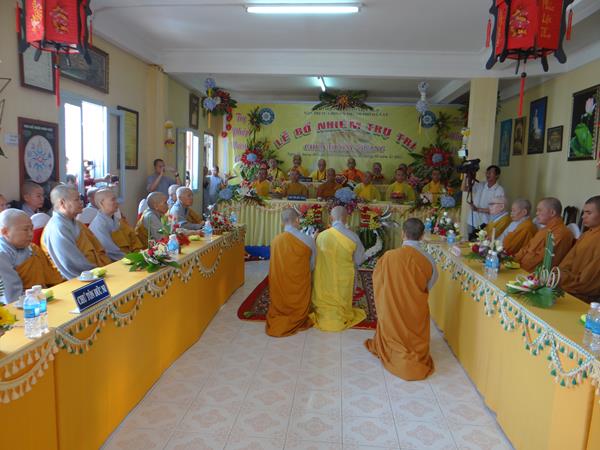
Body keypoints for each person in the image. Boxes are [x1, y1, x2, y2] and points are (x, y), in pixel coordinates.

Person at [365, 218, 437, 380]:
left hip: (393, 310)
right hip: (415, 309)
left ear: (403, 233)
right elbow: (431, 282)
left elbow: (378, 281)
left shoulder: (389, 257)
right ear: (422, 236)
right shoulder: (428, 259)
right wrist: (413, 294)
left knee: (391, 318)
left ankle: (396, 351)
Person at [310, 206, 366, 331]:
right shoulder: (353, 237)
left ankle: (325, 311)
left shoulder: (321, 236)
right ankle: (342, 312)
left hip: (324, 279)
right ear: (346, 219)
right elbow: (359, 260)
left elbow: (314, 261)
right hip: (343, 280)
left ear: (331, 218)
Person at [41, 185, 111, 279]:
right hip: (77, 279)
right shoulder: (57, 228)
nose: (81, 202)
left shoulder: (76, 223)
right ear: (62, 203)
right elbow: (72, 264)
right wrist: (97, 273)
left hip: (95, 270)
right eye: (77, 199)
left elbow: (98, 248)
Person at [266, 208, 315, 337]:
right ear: (297, 220)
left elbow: (274, 267)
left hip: (281, 285)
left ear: (282, 222)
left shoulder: (276, 241)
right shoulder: (308, 240)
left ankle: (282, 310)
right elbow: (312, 265)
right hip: (300, 286)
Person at [0, 209, 63, 303]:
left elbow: (51, 278)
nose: (31, 234)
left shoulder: (32, 248)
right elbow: (12, 297)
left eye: (31, 229)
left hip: (43, 297)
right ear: (5, 232)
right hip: (24, 305)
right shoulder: (2, 255)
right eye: (25, 230)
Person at [514, 197, 573, 272]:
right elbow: (527, 247)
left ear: (552, 213)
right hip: (520, 266)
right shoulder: (545, 229)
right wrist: (514, 261)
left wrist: (520, 267)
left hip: (532, 273)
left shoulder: (562, 233)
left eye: (540, 210)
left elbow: (543, 259)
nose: (537, 213)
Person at [559, 196, 600, 303]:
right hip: (567, 285)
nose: (583, 216)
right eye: (583, 212)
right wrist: (559, 275)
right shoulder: (586, 234)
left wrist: (563, 280)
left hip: (583, 296)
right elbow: (568, 260)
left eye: (588, 213)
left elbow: (588, 280)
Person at [89, 189, 143, 261]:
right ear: (101, 203)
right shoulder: (98, 225)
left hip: (128, 256)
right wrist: (132, 259)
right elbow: (110, 251)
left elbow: (132, 238)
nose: (117, 202)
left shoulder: (117, 220)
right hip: (114, 261)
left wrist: (138, 254)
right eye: (113, 200)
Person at [462, 165, 505, 233]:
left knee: (481, 240)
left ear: (497, 176)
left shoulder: (499, 190)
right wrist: (466, 176)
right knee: (469, 239)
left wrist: (477, 209)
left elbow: (496, 210)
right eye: (487, 172)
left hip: (485, 223)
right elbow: (463, 188)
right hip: (472, 221)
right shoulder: (481, 184)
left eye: (490, 172)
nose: (488, 174)